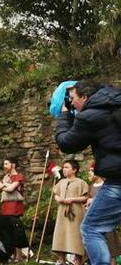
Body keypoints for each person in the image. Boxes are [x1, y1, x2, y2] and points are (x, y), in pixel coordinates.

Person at [55, 80, 121, 265]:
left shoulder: (91, 116)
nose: (72, 102)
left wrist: (65, 116)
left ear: (85, 97)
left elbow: (66, 143)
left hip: (118, 181)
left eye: (73, 99)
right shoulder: (115, 104)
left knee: (92, 228)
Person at [52, 159, 90, 265]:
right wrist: (58, 198)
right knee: (60, 236)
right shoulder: (61, 182)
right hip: (62, 214)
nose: (64, 169)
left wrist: (72, 199)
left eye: (67, 167)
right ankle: (61, 261)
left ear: (74, 170)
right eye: (63, 167)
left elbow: (85, 197)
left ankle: (78, 261)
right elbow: (56, 193)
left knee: (76, 237)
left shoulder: (81, 182)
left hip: (76, 214)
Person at [0, 157, 28, 261]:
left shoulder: (18, 176)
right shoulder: (5, 177)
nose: (4, 166)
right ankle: (11, 253)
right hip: (5, 207)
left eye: (6, 164)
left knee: (16, 231)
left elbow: (11, 189)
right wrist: (5, 184)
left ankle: (19, 255)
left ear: (13, 165)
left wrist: (4, 186)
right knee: (7, 232)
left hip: (14, 208)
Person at [88, 162, 121, 265]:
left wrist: (93, 200)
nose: (89, 173)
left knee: (110, 247)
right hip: (94, 222)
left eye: (91, 171)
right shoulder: (90, 187)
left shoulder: (107, 186)